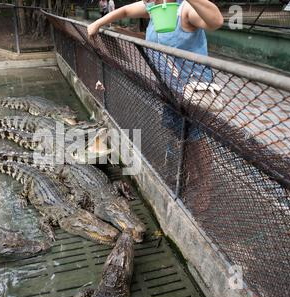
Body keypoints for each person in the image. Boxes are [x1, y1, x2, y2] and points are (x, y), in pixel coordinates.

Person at [87, 1, 224, 213]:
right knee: (179, 132)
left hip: (192, 91)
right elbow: (123, 10)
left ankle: (206, 184)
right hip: (170, 90)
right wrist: (98, 23)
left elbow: (215, 21)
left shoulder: (184, 9)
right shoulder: (154, 6)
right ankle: (187, 174)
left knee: (196, 138)